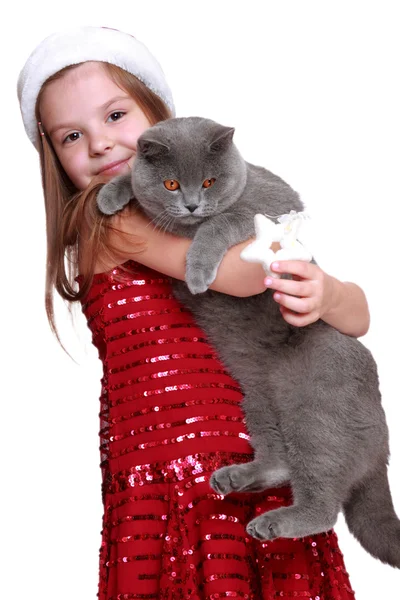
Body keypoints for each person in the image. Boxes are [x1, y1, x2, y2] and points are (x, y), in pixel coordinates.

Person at [18, 26, 369, 600]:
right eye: (71, 135)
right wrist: (275, 247)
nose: (100, 145)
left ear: (160, 117)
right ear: (53, 156)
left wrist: (325, 293)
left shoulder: (195, 209)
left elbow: (356, 317)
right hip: (177, 474)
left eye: (115, 116)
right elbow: (239, 273)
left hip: (244, 458)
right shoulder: (110, 224)